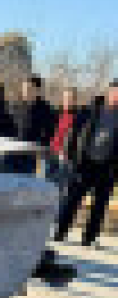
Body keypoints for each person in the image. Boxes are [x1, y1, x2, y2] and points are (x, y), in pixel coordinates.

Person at [54, 80, 118, 247]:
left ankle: (89, 238)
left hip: (107, 166)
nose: (115, 97)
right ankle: (60, 232)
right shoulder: (90, 110)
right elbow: (73, 133)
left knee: (100, 204)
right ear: (108, 91)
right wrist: (70, 156)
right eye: (114, 92)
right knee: (73, 199)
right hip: (85, 162)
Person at [5, 75, 57, 173]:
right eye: (24, 89)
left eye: (29, 89)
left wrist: (40, 148)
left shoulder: (46, 110)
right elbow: (7, 126)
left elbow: (50, 132)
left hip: (31, 156)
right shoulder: (15, 106)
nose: (26, 92)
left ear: (37, 91)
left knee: (26, 184)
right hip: (12, 153)